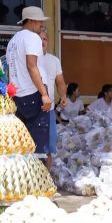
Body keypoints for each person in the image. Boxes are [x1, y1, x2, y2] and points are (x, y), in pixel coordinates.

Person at [6, 6, 52, 156]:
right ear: (31, 21)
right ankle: (37, 178)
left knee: (21, 146)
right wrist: (44, 94)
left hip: (17, 97)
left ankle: (22, 178)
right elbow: (31, 66)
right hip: (33, 95)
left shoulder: (13, 41)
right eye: (40, 22)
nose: (41, 26)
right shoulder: (32, 38)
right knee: (38, 148)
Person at [39, 29, 67, 169]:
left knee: (49, 147)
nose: (42, 41)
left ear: (48, 42)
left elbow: (60, 82)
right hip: (33, 110)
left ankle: (47, 178)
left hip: (48, 111)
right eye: (39, 38)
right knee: (33, 147)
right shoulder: (30, 59)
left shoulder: (54, 60)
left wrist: (63, 96)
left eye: (45, 39)